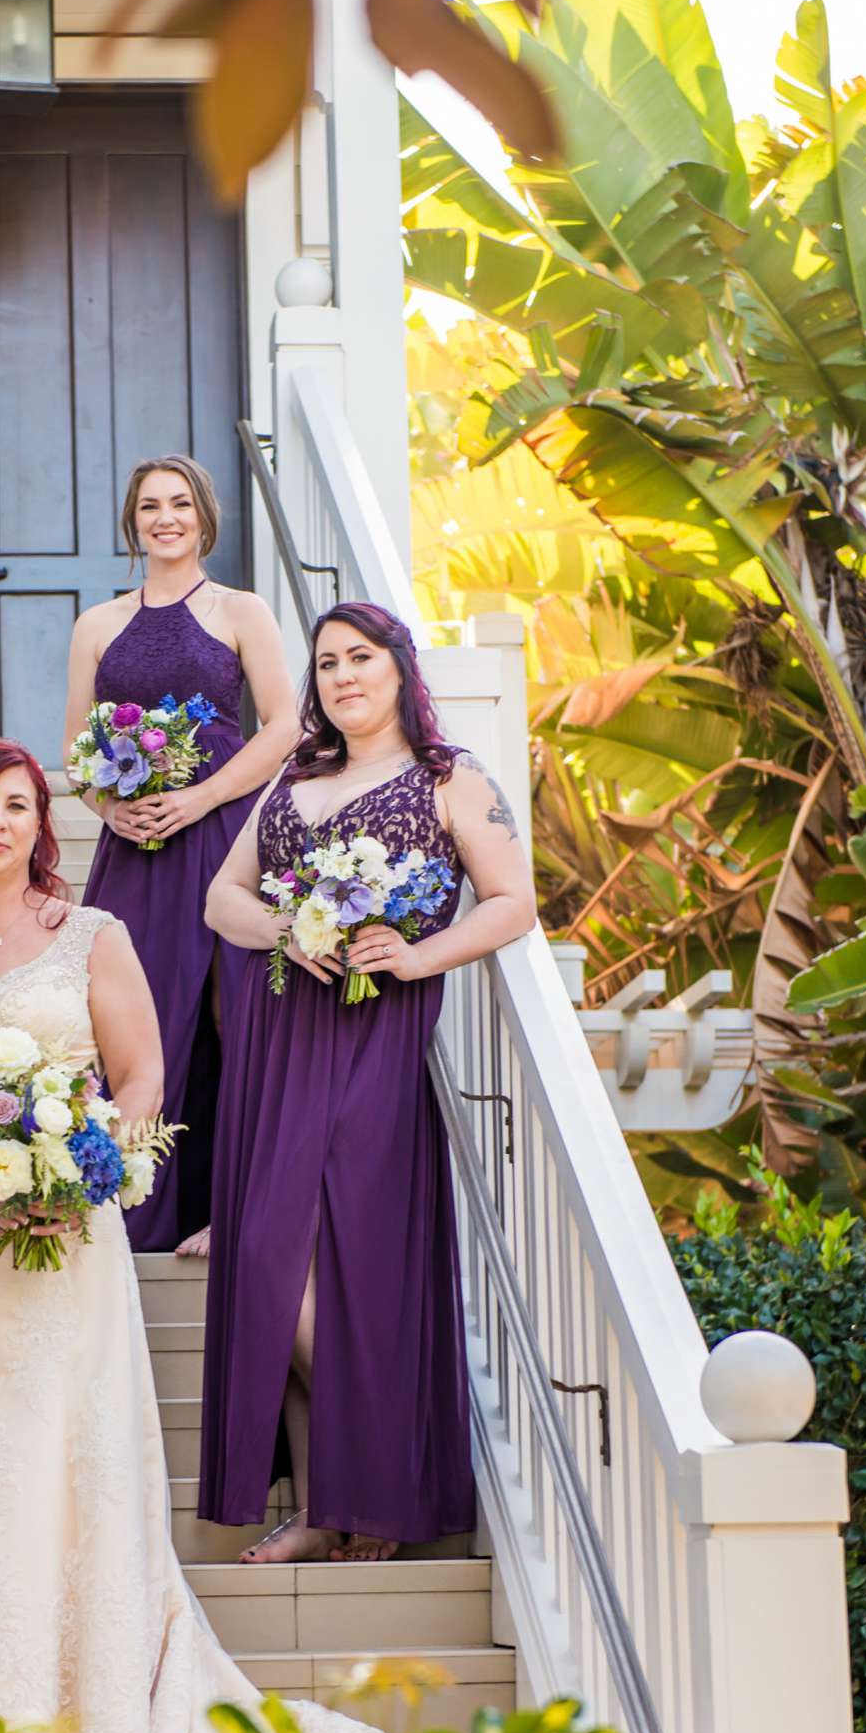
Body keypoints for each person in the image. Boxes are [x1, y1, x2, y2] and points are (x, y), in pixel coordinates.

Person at [0, 739, 391, 1733]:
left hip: (67, 1232)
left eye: (18, 805)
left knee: (67, 1442)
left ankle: (91, 1698)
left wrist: (75, 1174)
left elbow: (141, 1077)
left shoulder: (90, 935)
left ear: (40, 826)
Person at [200, 603, 537, 1564]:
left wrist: (418, 955)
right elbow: (222, 898)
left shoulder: (449, 776)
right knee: (271, 1262)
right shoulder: (291, 781)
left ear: (397, 668)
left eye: (360, 658)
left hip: (374, 1040)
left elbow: (512, 903)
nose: (344, 676)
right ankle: (330, 1498)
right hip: (277, 1042)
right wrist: (288, 929)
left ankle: (364, 1495)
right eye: (327, 664)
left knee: (352, 1266)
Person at [63, 457, 296, 1256]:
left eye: (180, 504)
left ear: (204, 517)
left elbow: (283, 726)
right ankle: (123, 1202)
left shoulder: (239, 610)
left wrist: (198, 800)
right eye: (150, 506)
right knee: (133, 1017)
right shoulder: (97, 624)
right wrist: (110, 809)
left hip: (220, 837)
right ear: (133, 522)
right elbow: (73, 750)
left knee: (228, 1015)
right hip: (134, 854)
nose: (166, 518)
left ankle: (220, 1207)